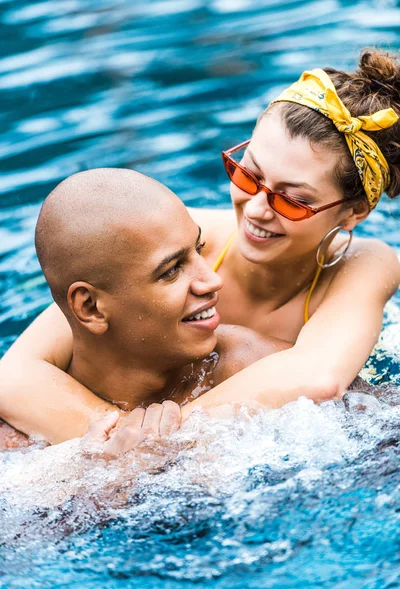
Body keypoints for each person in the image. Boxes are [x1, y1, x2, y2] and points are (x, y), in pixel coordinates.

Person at [0, 48, 399, 438]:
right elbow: (13, 375)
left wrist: (159, 442)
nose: (257, 209)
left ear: (354, 212)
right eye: (248, 174)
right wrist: (122, 442)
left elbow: (319, 378)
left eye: (292, 199)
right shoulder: (174, 240)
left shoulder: (365, 264)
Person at [0, 168, 288, 446]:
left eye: (199, 250)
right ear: (91, 308)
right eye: (172, 270)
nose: (212, 281)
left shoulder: (253, 367)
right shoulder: (17, 438)